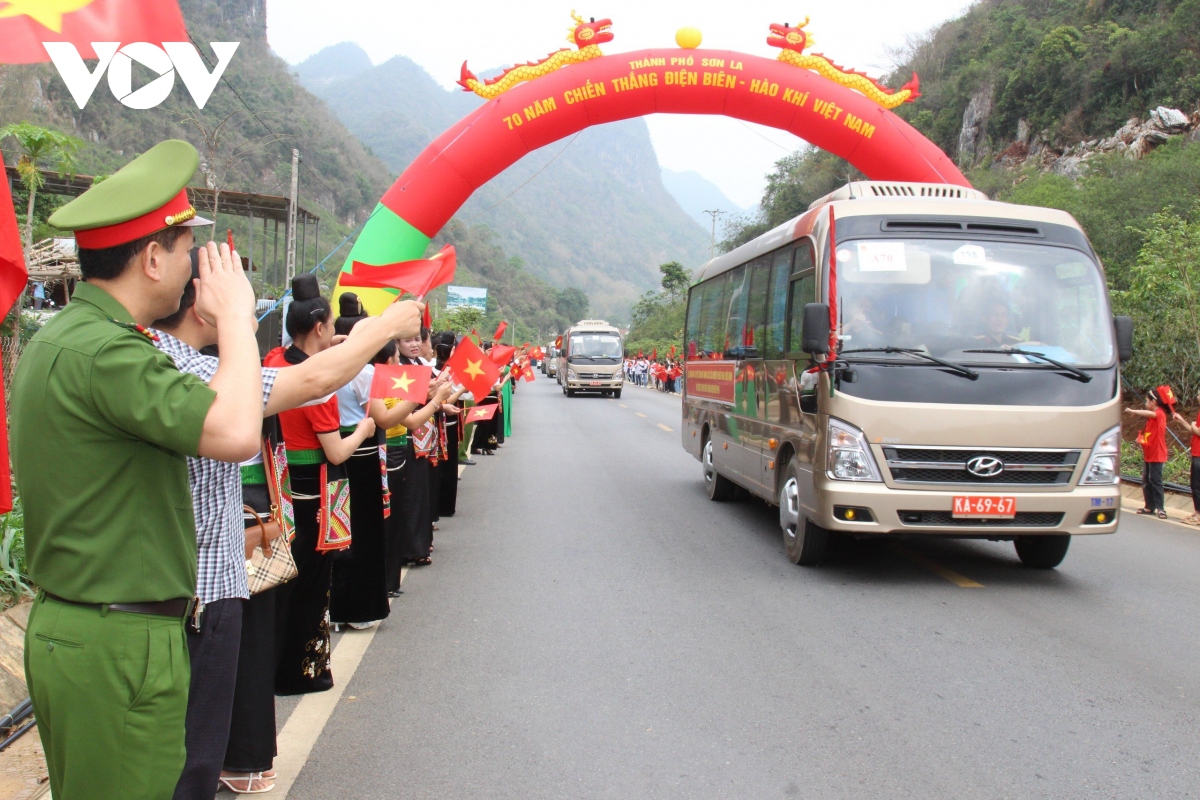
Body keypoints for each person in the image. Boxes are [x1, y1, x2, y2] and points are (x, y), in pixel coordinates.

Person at [10, 139, 265, 799]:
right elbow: (237, 431)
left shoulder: (67, 339)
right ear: (152, 259)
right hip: (119, 642)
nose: (193, 271)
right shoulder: (109, 356)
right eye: (186, 251)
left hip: (90, 629)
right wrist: (237, 319)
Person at [150, 257, 422, 797]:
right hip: (261, 522)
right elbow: (304, 399)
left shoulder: (237, 363)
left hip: (243, 528)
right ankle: (254, 745)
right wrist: (385, 331)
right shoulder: (195, 370)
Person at [265, 274, 377, 696]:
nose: (334, 333)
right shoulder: (318, 389)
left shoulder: (275, 361)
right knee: (311, 584)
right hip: (313, 490)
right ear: (318, 327)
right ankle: (301, 671)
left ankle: (271, 665)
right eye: (331, 326)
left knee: (280, 584)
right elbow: (336, 452)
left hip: (280, 486)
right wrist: (364, 429)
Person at [1126, 385, 1175, 519]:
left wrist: (1135, 411)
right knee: (1146, 480)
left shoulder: (1159, 413)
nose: (1146, 404)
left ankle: (1160, 508)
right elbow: (1149, 433)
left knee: (1155, 480)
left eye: (1147, 401)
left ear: (1153, 402)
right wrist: (1139, 439)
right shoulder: (1152, 419)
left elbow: (1151, 413)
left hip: (1157, 454)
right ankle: (1149, 506)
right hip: (1149, 453)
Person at [1172, 390, 1200, 526]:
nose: (1198, 397)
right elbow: (1193, 430)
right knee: (1194, 485)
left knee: (1198, 485)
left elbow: (1198, 431)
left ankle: (1199, 514)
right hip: (1196, 453)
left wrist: (1195, 425)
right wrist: (1182, 421)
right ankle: (1197, 511)